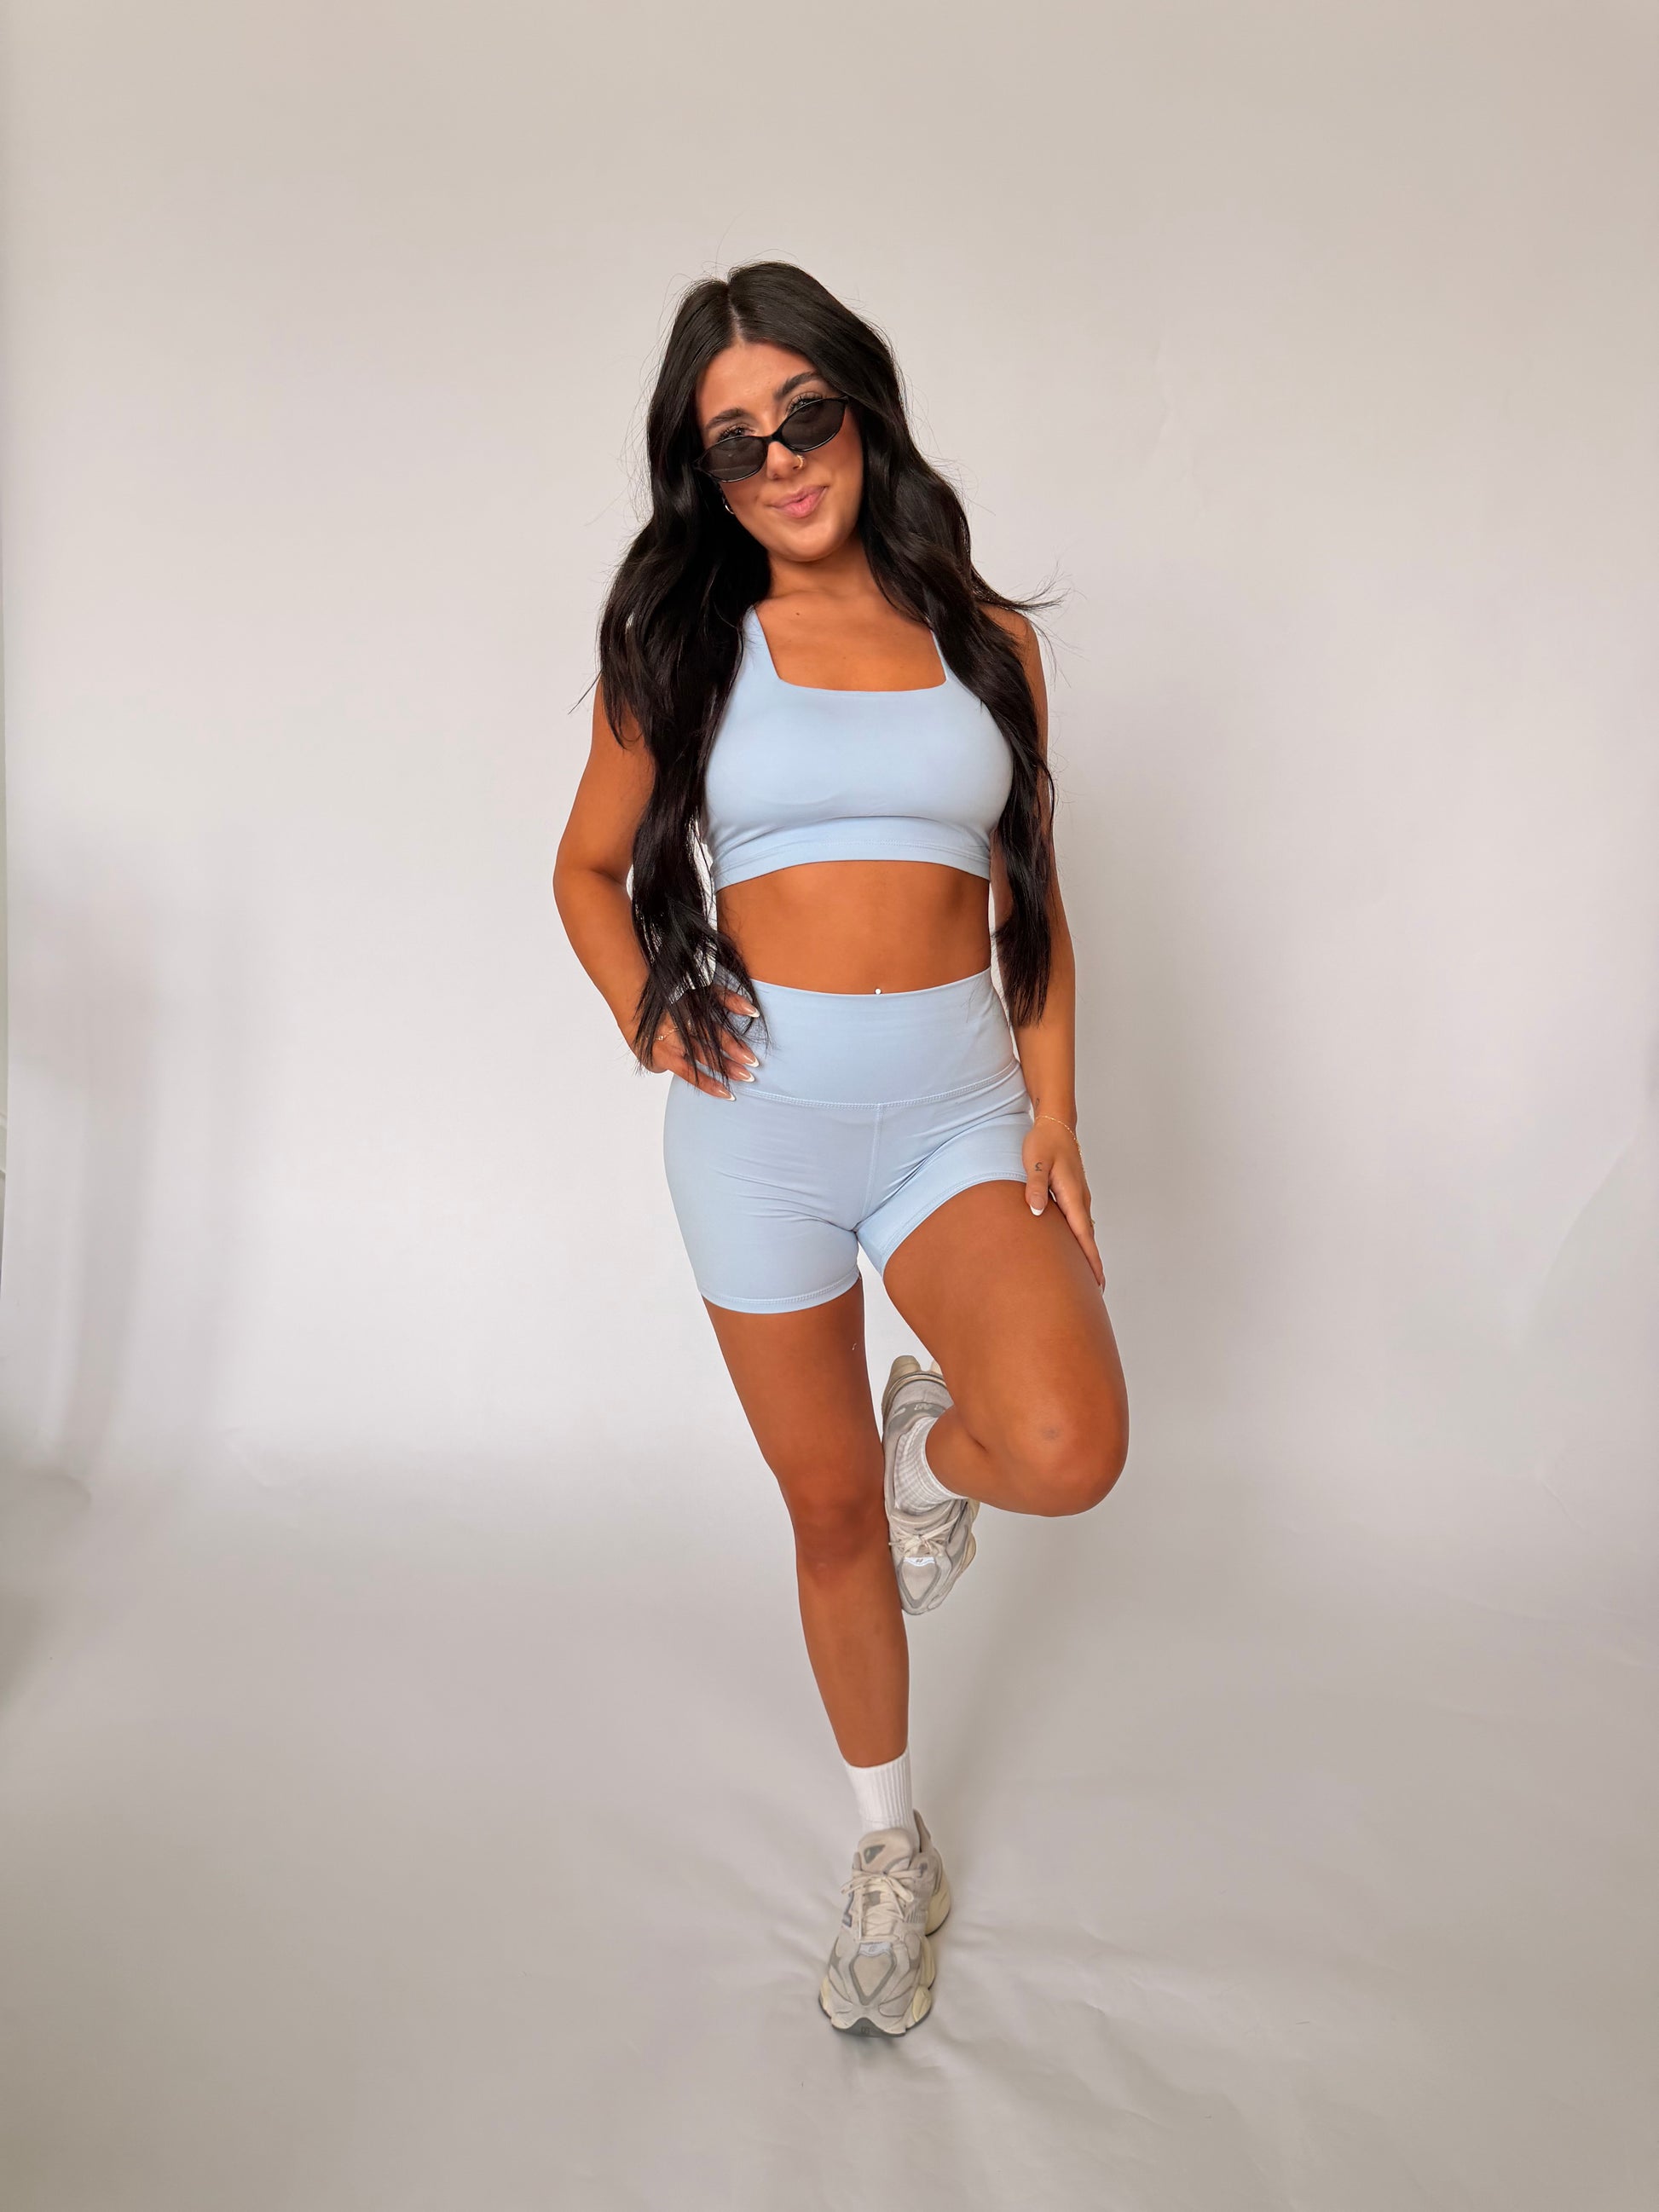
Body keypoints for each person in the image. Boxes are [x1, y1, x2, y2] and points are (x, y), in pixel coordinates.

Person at [554, 262, 1129, 2036]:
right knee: (823, 1516)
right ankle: (890, 1842)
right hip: (761, 1134)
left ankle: (928, 1446)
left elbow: (1033, 900)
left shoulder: (987, 642)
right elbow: (585, 868)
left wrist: (1053, 1110)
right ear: (705, 476)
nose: (781, 459)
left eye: (803, 415)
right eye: (735, 443)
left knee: (1065, 1444)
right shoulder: (682, 650)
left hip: (956, 1118)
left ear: (860, 410)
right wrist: (650, 1007)